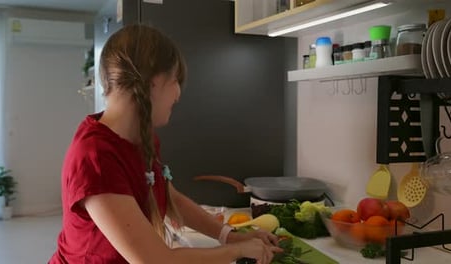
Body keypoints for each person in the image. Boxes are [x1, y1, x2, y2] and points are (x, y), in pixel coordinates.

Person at [49, 24, 282, 264]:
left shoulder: (141, 136)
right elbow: (154, 261)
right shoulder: (96, 157)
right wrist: (236, 252)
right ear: (153, 81)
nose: (179, 93)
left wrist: (229, 236)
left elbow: (168, 194)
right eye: (175, 80)